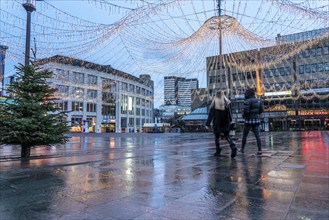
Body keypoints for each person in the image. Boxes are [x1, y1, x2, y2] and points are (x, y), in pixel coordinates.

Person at [205, 90, 237, 158]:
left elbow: (210, 115)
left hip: (217, 123)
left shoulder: (214, 103)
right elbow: (230, 114)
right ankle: (232, 146)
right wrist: (230, 121)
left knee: (216, 137)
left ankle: (218, 151)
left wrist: (207, 124)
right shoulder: (227, 103)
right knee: (227, 136)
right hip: (225, 123)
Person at [240, 88, 264, 156]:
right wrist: (256, 113)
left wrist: (244, 116)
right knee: (258, 136)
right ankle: (259, 151)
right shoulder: (258, 100)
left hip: (248, 121)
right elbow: (261, 110)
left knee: (245, 136)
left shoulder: (247, 101)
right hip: (256, 120)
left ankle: (242, 149)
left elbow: (246, 111)